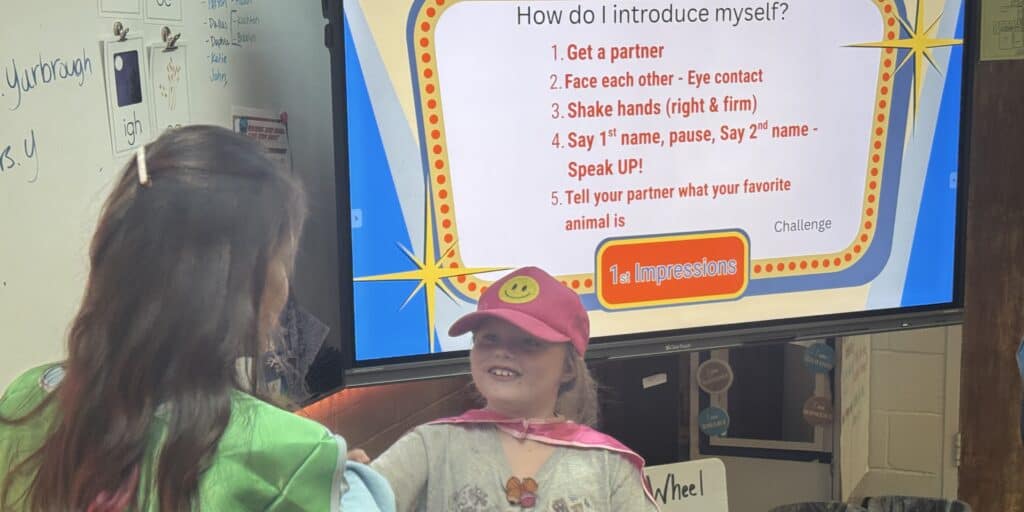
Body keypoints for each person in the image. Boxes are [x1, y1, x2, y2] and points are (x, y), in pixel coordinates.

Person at [0, 126, 393, 511]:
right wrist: (350, 488)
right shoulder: (290, 463)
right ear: (234, 284)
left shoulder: (23, 403)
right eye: (283, 262)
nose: (286, 287)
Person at [371, 266, 659, 511]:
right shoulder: (431, 445)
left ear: (569, 367)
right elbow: (353, 501)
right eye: (489, 339)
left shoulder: (609, 465)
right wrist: (343, 480)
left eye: (529, 342)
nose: (503, 352)